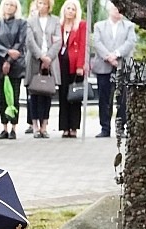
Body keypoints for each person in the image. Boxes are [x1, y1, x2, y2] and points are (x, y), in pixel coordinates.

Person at [90, 1, 134, 138]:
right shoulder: (99, 26)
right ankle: (105, 128)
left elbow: (130, 42)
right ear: (110, 9)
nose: (118, 10)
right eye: (115, 8)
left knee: (122, 99)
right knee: (104, 99)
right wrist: (108, 57)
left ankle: (121, 128)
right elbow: (96, 42)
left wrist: (116, 54)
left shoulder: (129, 26)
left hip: (122, 66)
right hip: (104, 67)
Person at [0, 0, 26, 140]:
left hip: (16, 64)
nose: (9, 7)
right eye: (7, 4)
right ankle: (4, 126)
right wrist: (6, 53)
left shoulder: (21, 23)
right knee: (1, 98)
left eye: (12, 5)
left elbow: (21, 42)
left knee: (14, 97)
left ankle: (13, 127)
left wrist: (10, 59)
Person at [24, 0, 58, 138]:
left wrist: (48, 57)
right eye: (39, 3)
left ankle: (44, 125)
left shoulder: (55, 20)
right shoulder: (31, 21)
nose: (42, 6)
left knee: (47, 93)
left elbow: (58, 40)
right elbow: (30, 41)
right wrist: (40, 56)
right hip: (34, 60)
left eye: (45, 3)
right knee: (34, 94)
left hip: (50, 61)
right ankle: (35, 126)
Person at [56, 0, 86, 138]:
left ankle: (74, 127)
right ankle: (64, 127)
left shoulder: (81, 25)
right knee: (63, 96)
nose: (70, 11)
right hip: (61, 64)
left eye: (73, 9)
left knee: (74, 97)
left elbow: (83, 46)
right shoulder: (59, 25)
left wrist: (80, 65)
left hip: (75, 65)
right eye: (68, 8)